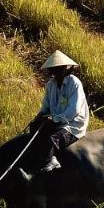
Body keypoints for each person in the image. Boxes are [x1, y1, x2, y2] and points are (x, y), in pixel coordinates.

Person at [19, 51, 88, 179]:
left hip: (72, 124)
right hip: (55, 121)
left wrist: (55, 118)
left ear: (65, 68)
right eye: (52, 69)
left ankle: (50, 163)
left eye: (57, 69)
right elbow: (46, 106)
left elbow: (74, 110)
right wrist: (40, 116)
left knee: (52, 139)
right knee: (34, 130)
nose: (54, 72)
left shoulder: (74, 83)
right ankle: (32, 163)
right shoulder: (51, 84)